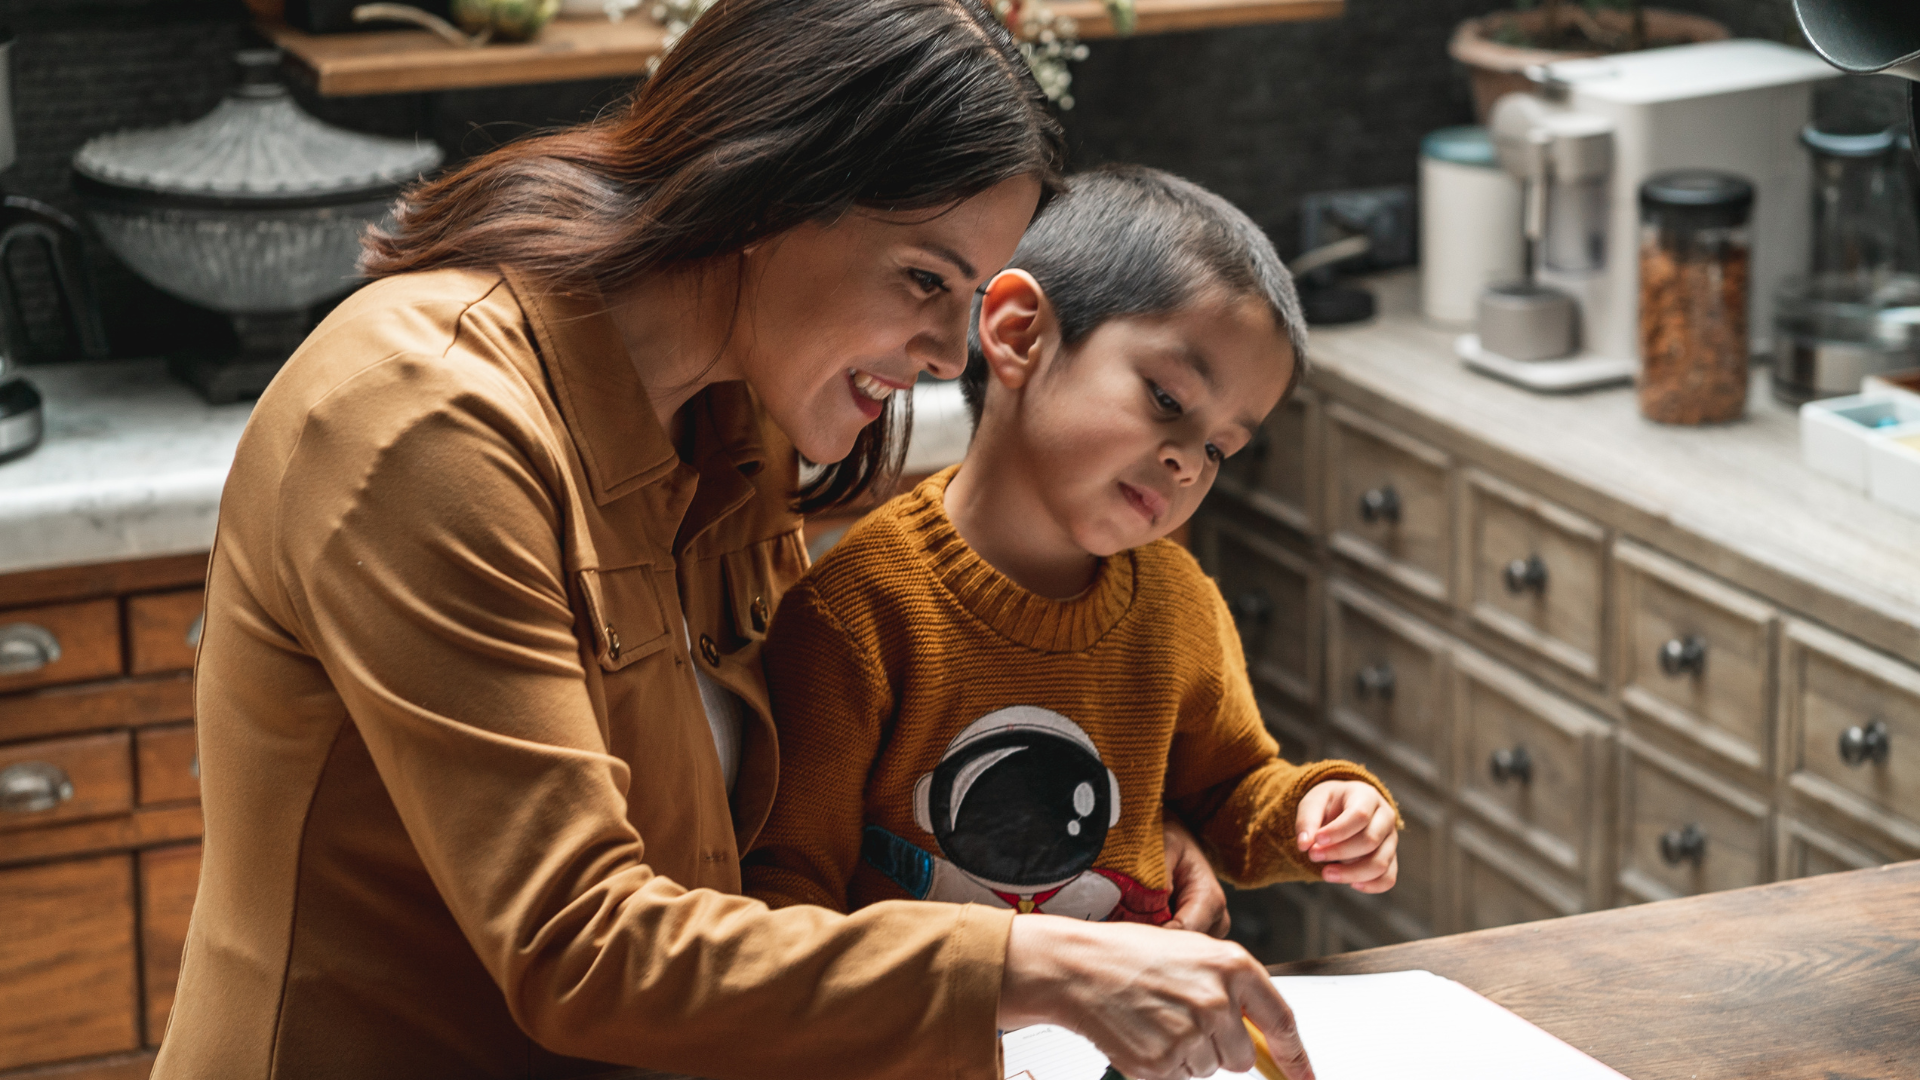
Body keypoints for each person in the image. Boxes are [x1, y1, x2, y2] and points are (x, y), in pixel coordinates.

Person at [152, 4, 1319, 1080]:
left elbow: (789, 799)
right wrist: (1039, 970)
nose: (950, 352)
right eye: (923, 278)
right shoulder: (420, 421)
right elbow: (583, 948)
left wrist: (1098, 862)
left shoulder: (736, 413)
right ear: (763, 193)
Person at [743, 167, 1401, 942]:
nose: (1190, 462)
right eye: (1168, 400)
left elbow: (1230, 792)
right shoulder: (856, 616)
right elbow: (788, 886)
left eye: (1222, 448)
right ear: (1021, 332)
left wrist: (1318, 812)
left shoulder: (1178, 602)